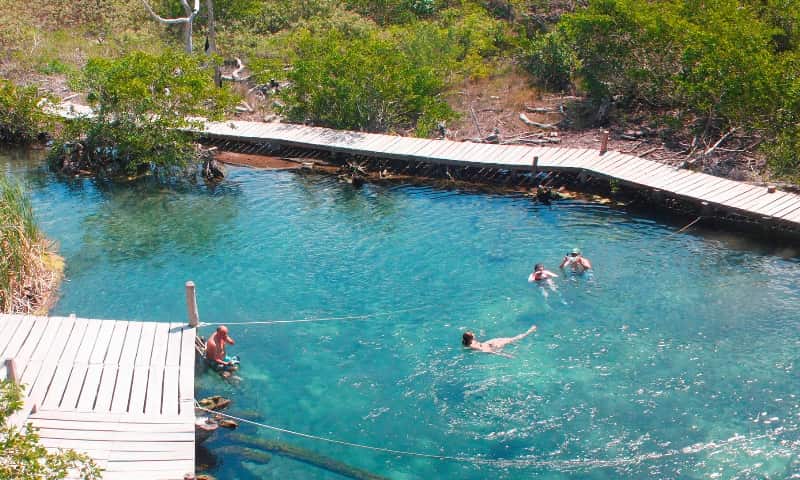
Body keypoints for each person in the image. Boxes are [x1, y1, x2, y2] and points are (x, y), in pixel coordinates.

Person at [462, 325, 537, 357]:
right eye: (472, 334)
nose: (473, 333)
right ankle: (529, 332)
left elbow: (474, 341)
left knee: (505, 339)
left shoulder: (466, 342)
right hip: (491, 347)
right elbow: (485, 350)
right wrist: (503, 355)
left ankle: (517, 340)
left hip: (488, 343)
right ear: (470, 338)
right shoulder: (473, 345)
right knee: (513, 339)